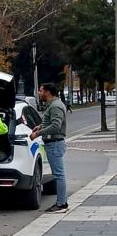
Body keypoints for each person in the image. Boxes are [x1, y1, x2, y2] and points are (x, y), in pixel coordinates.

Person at [31, 83, 68, 213]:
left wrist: (37, 133)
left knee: (59, 175)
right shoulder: (52, 105)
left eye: (41, 91)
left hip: (55, 144)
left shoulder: (56, 106)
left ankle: (61, 204)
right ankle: (61, 202)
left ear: (47, 92)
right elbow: (50, 122)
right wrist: (41, 126)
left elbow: (55, 126)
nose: (39, 93)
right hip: (53, 143)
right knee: (58, 174)